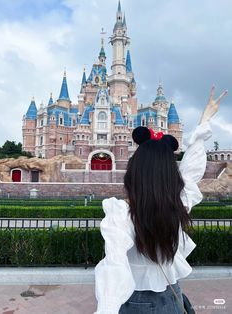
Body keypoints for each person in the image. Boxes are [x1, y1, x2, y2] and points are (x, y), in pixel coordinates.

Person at [93, 87, 227, 314]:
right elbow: (191, 171)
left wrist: (106, 310)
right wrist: (204, 121)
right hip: (171, 296)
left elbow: (114, 266)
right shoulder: (177, 205)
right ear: (170, 175)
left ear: (135, 172)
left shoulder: (121, 215)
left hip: (136, 302)